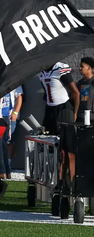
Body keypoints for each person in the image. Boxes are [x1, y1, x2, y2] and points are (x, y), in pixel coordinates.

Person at [38, 61, 80, 189]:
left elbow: (76, 93)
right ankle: (58, 180)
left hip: (64, 109)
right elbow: (47, 94)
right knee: (52, 147)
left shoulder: (60, 69)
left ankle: (72, 182)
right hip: (50, 110)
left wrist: (74, 113)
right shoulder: (41, 71)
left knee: (68, 149)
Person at [0, 87, 23, 179]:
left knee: (8, 142)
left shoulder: (13, 82)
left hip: (9, 116)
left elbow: (19, 97)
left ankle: (6, 167)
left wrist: (15, 112)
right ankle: (2, 169)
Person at [76, 57, 94, 122]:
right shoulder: (79, 83)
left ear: (89, 68)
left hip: (92, 117)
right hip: (81, 116)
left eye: (82, 66)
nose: (80, 68)